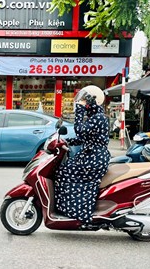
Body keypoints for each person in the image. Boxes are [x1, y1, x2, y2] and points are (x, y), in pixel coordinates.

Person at [55, 85, 110, 225]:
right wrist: (66, 142)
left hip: (94, 158)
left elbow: (80, 131)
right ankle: (70, 209)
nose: (82, 103)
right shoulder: (95, 117)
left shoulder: (99, 118)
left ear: (93, 101)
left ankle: (76, 212)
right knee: (64, 171)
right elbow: (83, 138)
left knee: (65, 172)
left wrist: (79, 113)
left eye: (85, 100)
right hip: (90, 156)